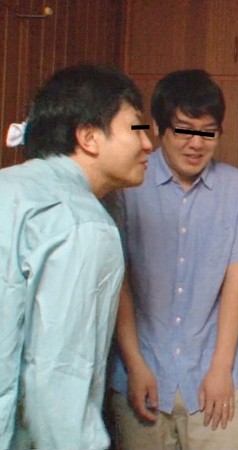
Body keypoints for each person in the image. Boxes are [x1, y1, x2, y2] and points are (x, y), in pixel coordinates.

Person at [0, 65, 153, 449]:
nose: (148, 144)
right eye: (136, 128)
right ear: (89, 137)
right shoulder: (84, 224)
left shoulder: (9, 186)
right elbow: (58, 381)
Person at [109, 69, 238, 449]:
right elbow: (119, 282)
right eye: (183, 131)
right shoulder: (128, 184)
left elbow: (236, 284)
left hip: (213, 376)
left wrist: (221, 368)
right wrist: (134, 364)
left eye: (208, 132)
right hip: (141, 373)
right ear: (158, 129)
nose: (196, 144)